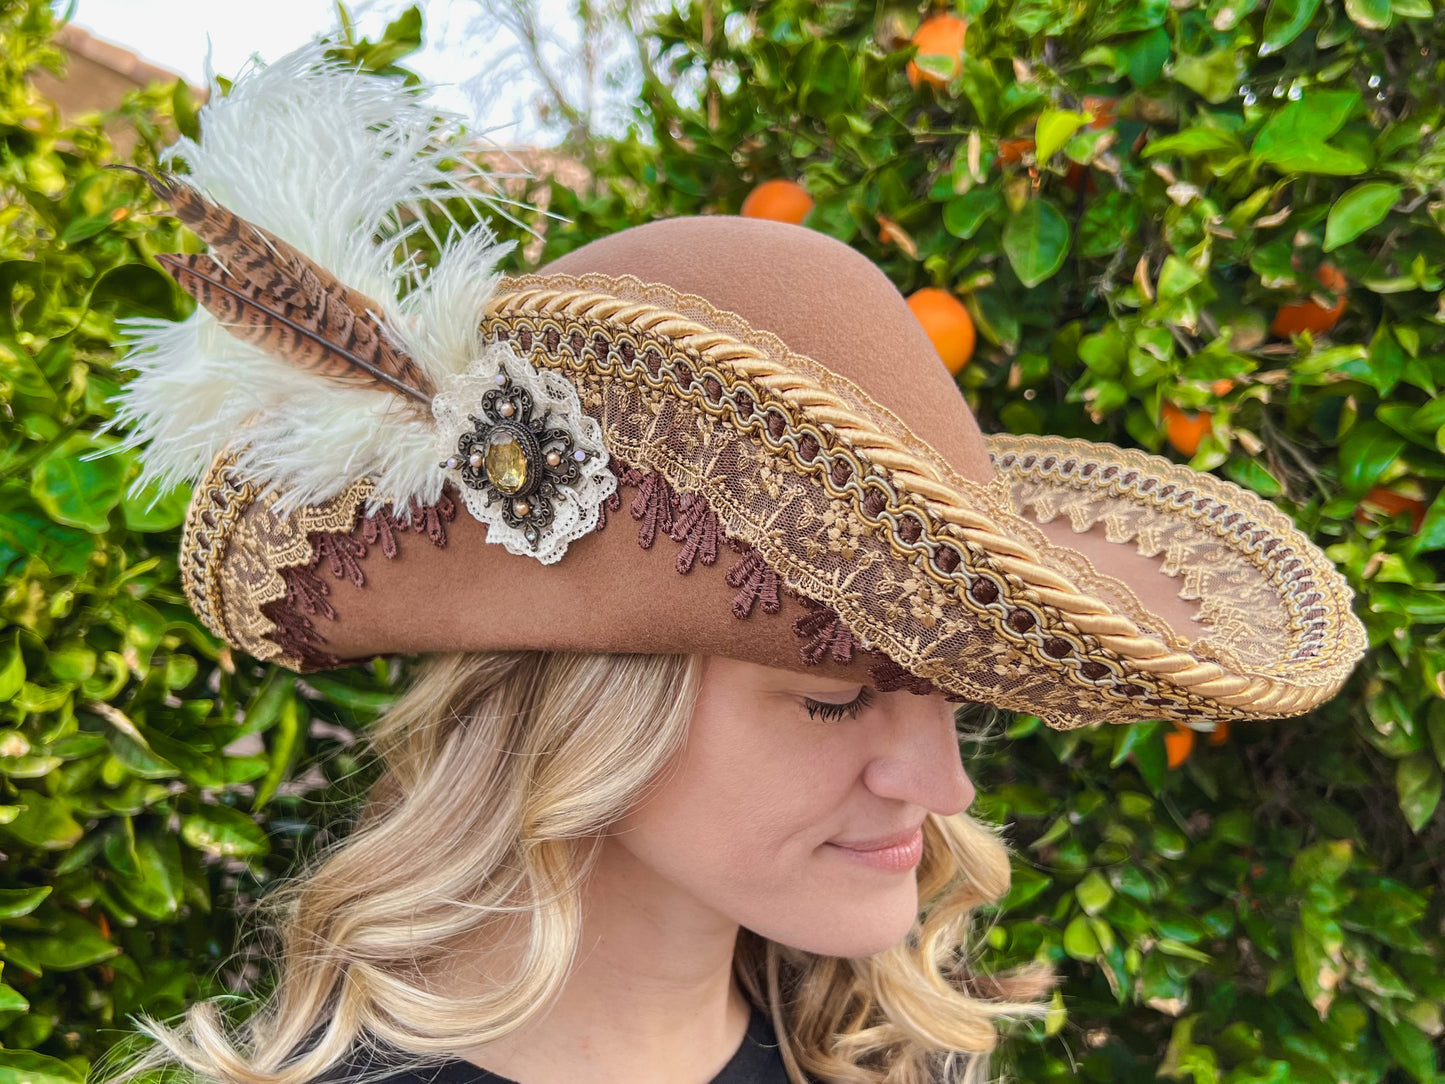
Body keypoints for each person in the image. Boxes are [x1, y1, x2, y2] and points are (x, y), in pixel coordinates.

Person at [104, 45, 1365, 1084]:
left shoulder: (884, 1059)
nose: (940, 783)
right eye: (833, 695)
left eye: (951, 697)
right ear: (579, 703)